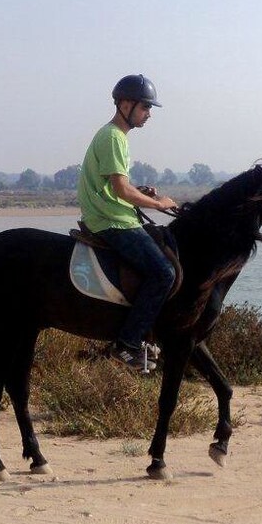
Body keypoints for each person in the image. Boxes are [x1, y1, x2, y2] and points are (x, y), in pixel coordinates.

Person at [76, 74, 178, 373]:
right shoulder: (112, 137)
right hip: (111, 220)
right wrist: (159, 204)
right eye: (146, 107)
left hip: (115, 214)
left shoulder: (117, 137)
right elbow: (121, 191)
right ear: (125, 104)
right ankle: (127, 344)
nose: (149, 114)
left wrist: (140, 192)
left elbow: (117, 185)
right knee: (163, 273)